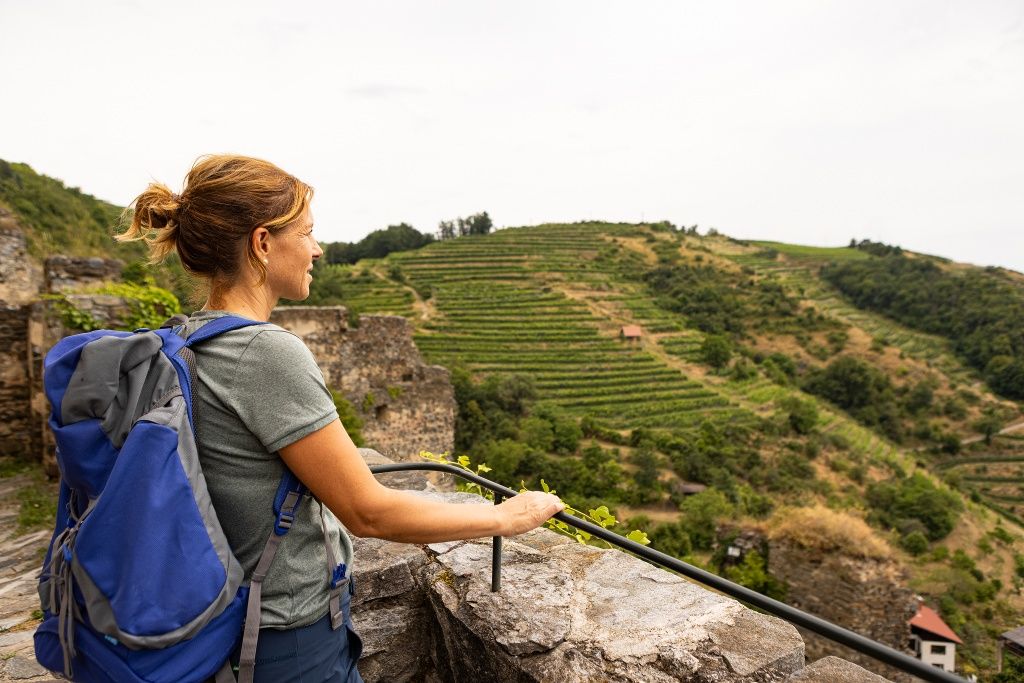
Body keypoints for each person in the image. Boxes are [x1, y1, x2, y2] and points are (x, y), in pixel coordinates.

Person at [117, 154, 564, 683]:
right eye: (307, 232)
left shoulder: (187, 336)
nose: (317, 248)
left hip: (224, 621)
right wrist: (506, 518)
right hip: (284, 637)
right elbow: (367, 512)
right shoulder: (265, 352)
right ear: (262, 243)